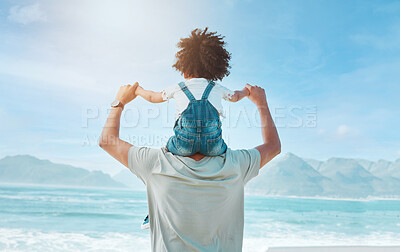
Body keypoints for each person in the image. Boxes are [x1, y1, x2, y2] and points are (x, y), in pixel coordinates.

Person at [99, 82, 281, 252]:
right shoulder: (236, 164)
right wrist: (261, 104)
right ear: (217, 126)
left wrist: (120, 102)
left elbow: (108, 142)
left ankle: (152, 212)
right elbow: (273, 146)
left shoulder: (156, 162)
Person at [135, 28, 249, 229]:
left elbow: (153, 97)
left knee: (162, 163)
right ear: (213, 68)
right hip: (213, 146)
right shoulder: (217, 88)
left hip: (182, 145)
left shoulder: (177, 87)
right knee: (225, 158)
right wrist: (247, 91)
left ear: (184, 67)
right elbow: (236, 97)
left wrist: (138, 90)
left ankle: (153, 213)